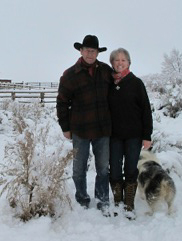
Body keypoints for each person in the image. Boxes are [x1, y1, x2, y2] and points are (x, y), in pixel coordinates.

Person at [56, 35, 112, 214]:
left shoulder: (105, 71)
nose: (90, 53)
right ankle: (82, 199)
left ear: (97, 52)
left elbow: (116, 95)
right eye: (87, 50)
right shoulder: (70, 74)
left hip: (102, 129)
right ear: (81, 51)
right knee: (79, 167)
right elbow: (62, 102)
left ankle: (102, 200)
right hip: (80, 129)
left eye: (93, 51)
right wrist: (65, 127)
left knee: (103, 167)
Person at [108, 48, 153, 217]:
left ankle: (129, 203)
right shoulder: (109, 84)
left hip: (134, 135)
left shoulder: (136, 83)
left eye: (123, 60)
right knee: (114, 170)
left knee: (131, 169)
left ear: (129, 63)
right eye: (116, 60)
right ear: (112, 63)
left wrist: (147, 135)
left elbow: (146, 110)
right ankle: (117, 201)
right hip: (114, 136)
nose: (120, 63)